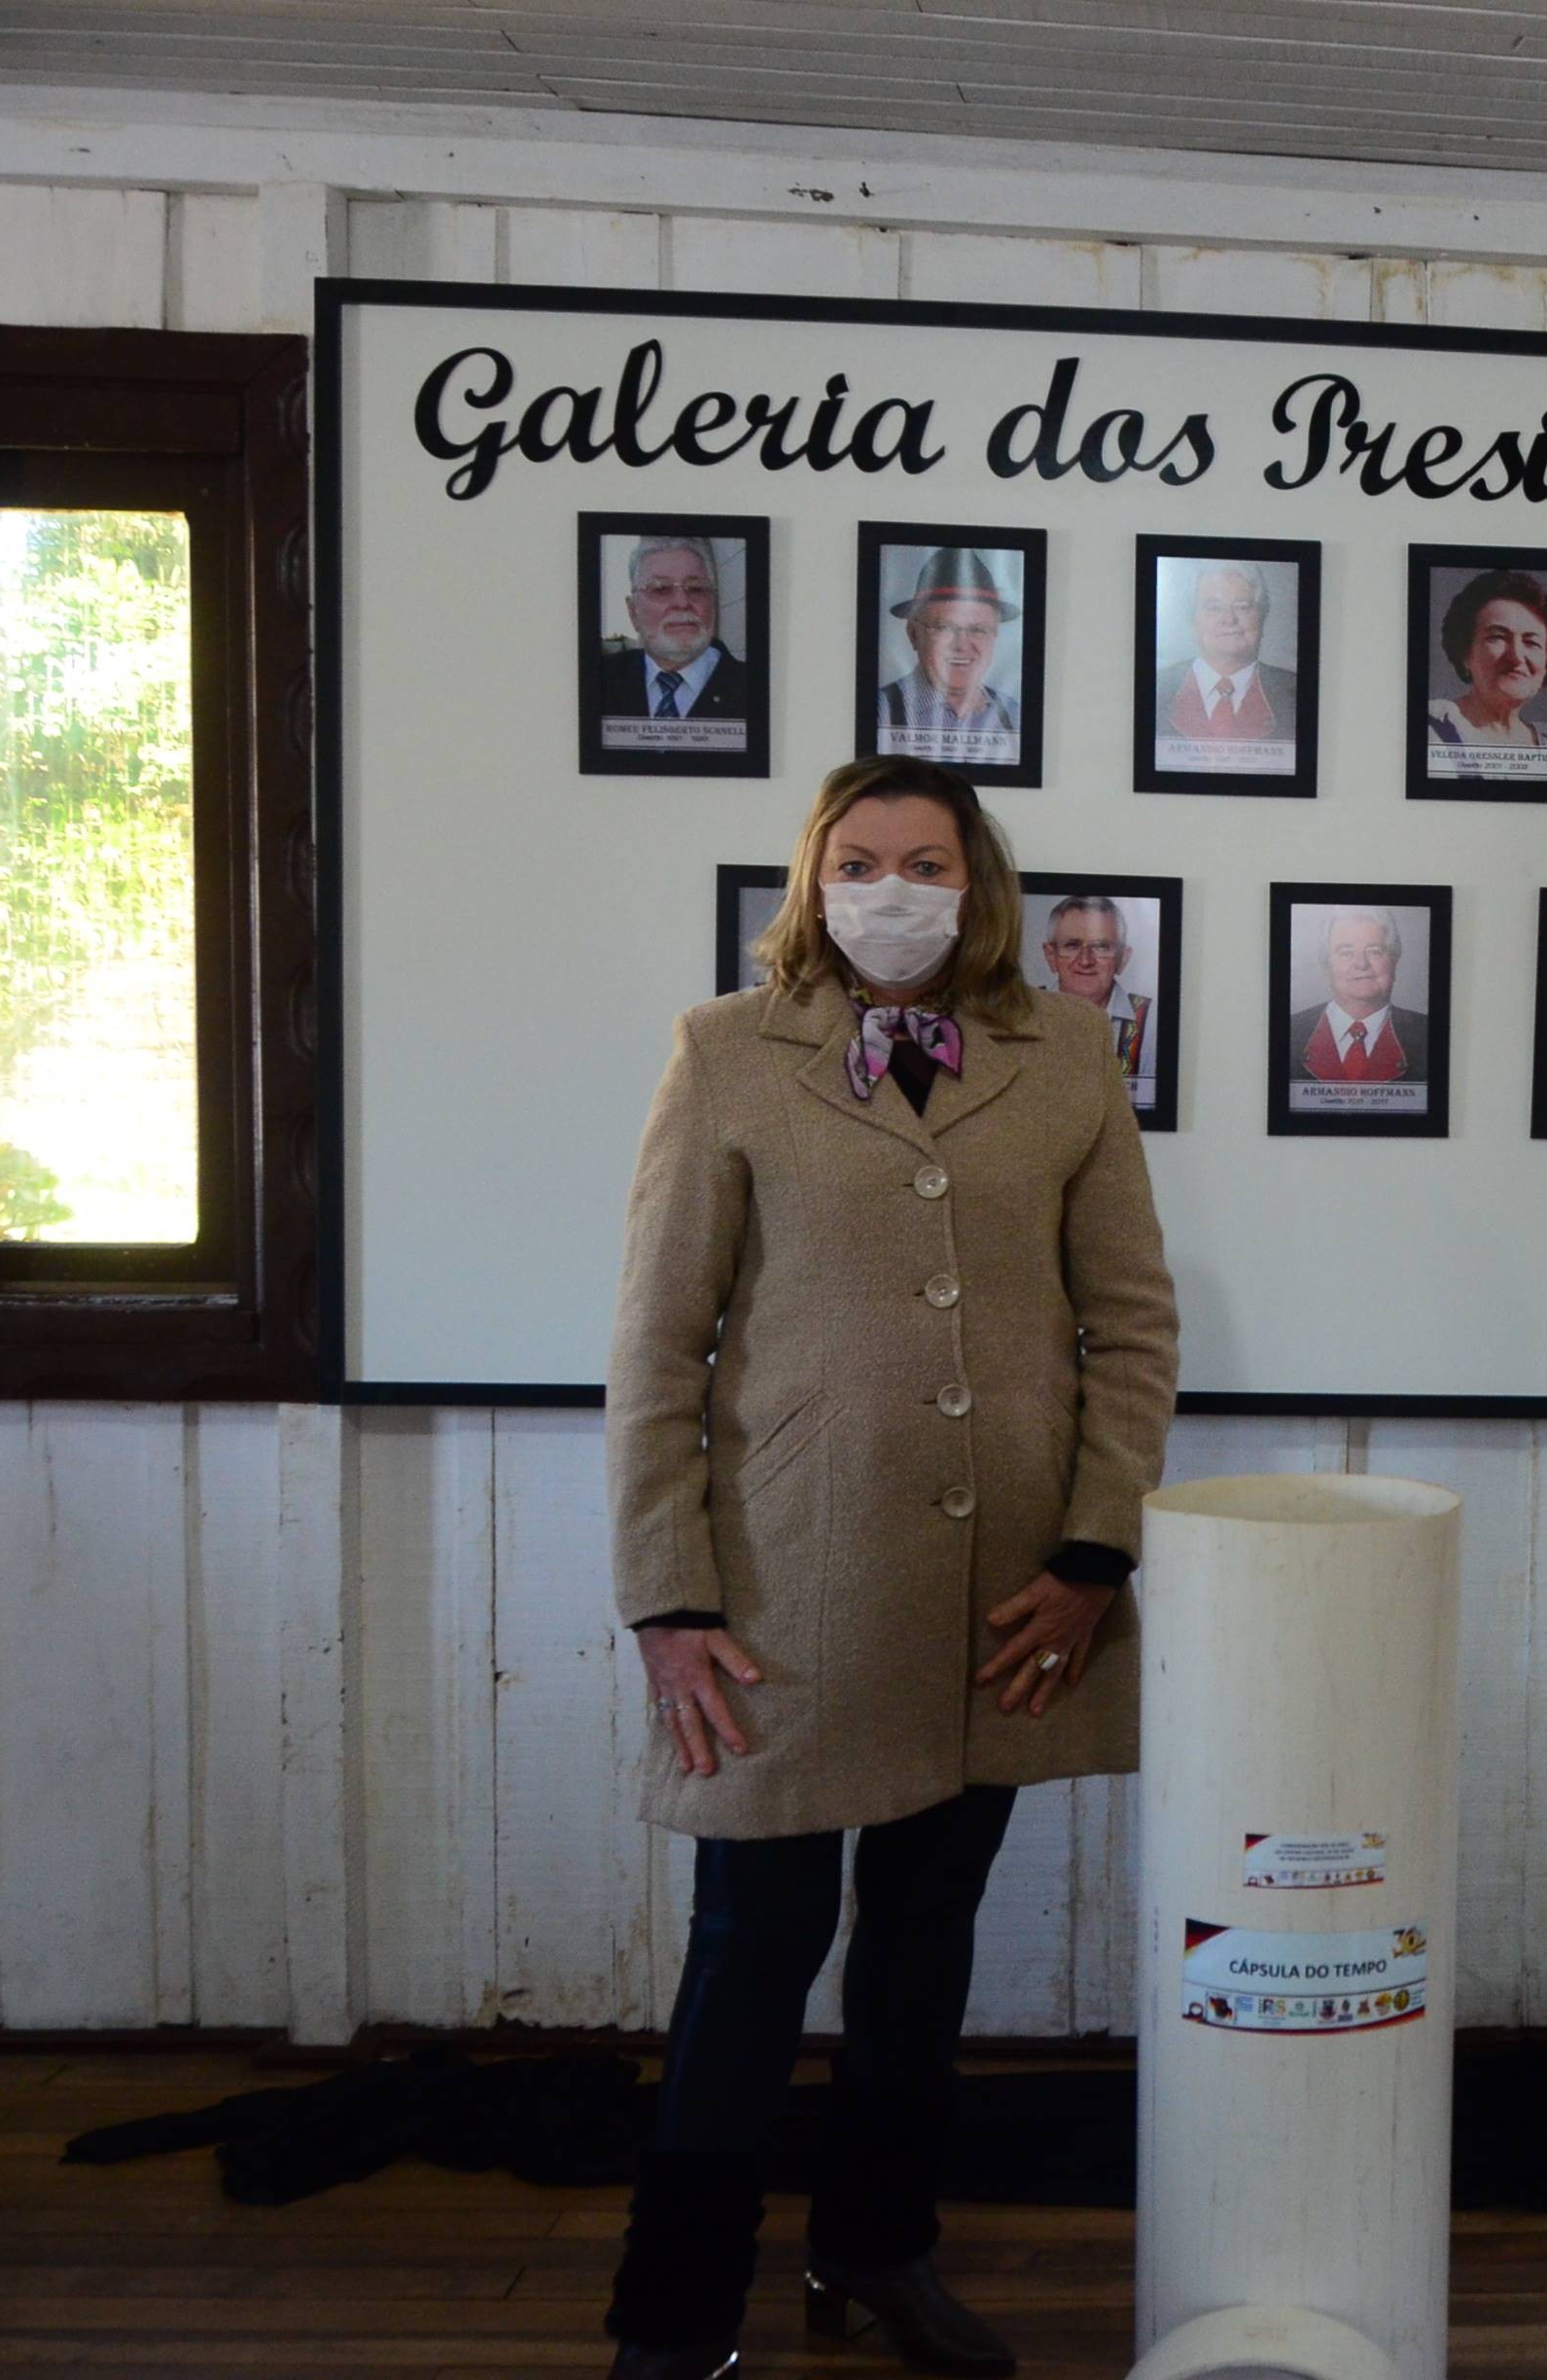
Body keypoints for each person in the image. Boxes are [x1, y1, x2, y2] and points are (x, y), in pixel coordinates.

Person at [600, 754, 1180, 2380]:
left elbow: (1131, 1324)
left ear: (976, 880)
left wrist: (1092, 1550)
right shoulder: (724, 1054)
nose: (894, 888)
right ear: (814, 875)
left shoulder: (1066, 1055)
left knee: (923, 1953)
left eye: (927, 860)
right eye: (861, 859)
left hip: (1007, 1593)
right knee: (748, 1956)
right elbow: (655, 1344)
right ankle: (677, 2314)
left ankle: (875, 2250)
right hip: (778, 1594)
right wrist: (669, 1596)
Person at [873, 547, 1022, 766]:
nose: (961, 645)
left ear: (995, 636)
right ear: (913, 634)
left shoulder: (1016, 718)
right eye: (944, 627)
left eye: (978, 629)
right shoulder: (879, 711)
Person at [592, 534, 750, 727]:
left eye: (696, 589)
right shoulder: (599, 680)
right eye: (660, 589)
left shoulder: (753, 687)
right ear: (633, 611)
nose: (682, 603)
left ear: (713, 604)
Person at [1152, 561, 1300, 747]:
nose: (1229, 619)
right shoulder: (1156, 687)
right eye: (1213, 608)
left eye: (1242, 606)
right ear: (1192, 618)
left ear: (1262, 614)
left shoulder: (1294, 692)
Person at [1423, 568, 1547, 753]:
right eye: (1498, 637)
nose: (1516, 656)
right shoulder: (1432, 729)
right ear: (1465, 652)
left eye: (1531, 642)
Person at [1283, 904, 1430, 1085]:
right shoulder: (1289, 1032)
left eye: (1374, 951)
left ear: (1394, 960)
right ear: (1326, 965)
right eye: (1346, 952)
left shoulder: (1428, 1034)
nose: (1361, 964)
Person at [1041, 893, 1154, 1089]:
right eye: (1072, 945)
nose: (1085, 960)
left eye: (1101, 947)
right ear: (1051, 956)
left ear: (1123, 959)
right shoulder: (1020, 1013)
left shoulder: (1153, 1021)